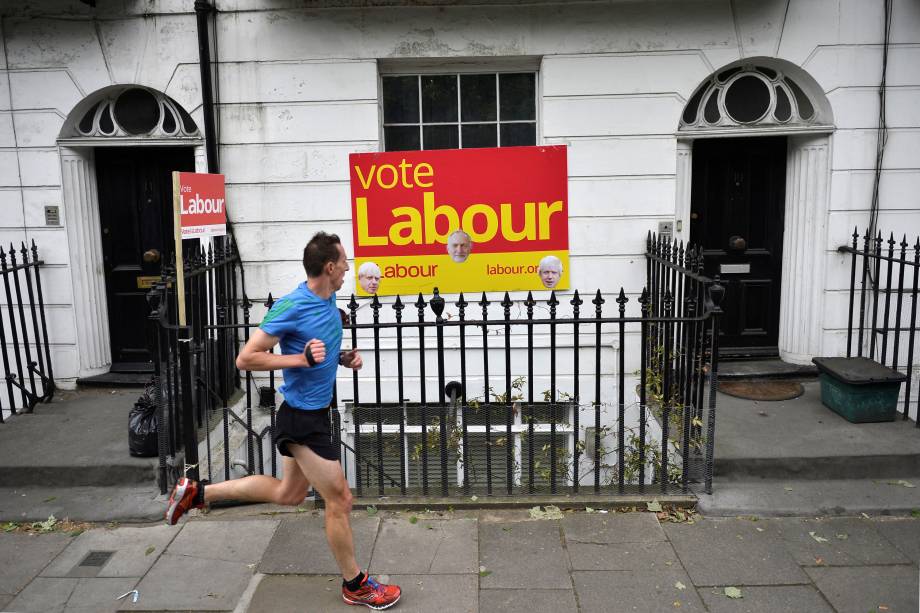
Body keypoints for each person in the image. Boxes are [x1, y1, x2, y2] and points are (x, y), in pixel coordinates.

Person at [165, 232, 401, 610]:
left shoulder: (330, 297)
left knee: (288, 494)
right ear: (328, 267)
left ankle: (196, 492)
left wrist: (340, 358)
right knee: (340, 499)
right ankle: (355, 584)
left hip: (315, 413)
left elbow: (316, 343)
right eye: (344, 263)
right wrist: (300, 361)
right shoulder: (291, 306)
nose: (347, 269)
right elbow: (246, 358)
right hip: (302, 420)